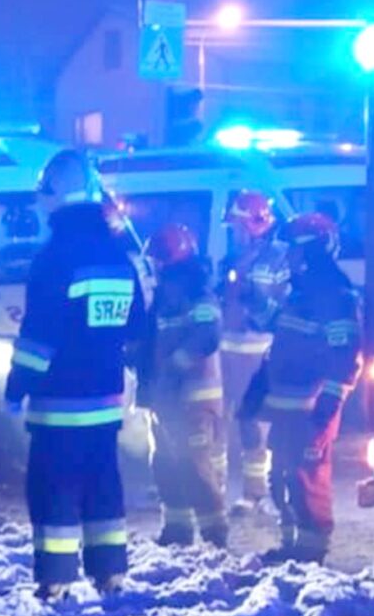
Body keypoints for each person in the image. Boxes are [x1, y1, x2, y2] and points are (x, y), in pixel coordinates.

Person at [5, 149, 149, 597]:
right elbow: (137, 325)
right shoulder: (118, 255)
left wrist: (17, 385)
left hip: (59, 401)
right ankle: (110, 573)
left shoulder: (55, 257)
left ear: (56, 197)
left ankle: (56, 579)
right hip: (106, 401)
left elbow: (38, 335)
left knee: (55, 489)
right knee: (103, 484)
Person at [241, 211, 361, 563]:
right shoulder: (302, 294)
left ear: (312, 253)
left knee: (307, 479)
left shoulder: (334, 297)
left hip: (312, 408)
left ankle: (311, 552)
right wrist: (251, 298)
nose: (287, 258)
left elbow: (347, 354)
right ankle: (292, 544)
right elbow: (277, 326)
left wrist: (331, 398)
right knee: (281, 477)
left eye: (293, 251)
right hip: (288, 408)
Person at [136, 222, 226, 548]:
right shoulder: (161, 298)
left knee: (195, 467)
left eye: (157, 259)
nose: (153, 266)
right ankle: (177, 530)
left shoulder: (198, 295)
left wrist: (175, 366)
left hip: (193, 400)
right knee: (165, 464)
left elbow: (207, 336)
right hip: (165, 400)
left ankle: (215, 535)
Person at [219, 190, 294, 518]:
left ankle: (268, 493)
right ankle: (249, 493)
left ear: (254, 224)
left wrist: (254, 299)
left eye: (236, 225)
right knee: (240, 425)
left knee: (263, 423)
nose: (233, 232)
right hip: (231, 352)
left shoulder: (280, 257)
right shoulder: (235, 258)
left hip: (261, 351)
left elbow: (284, 307)